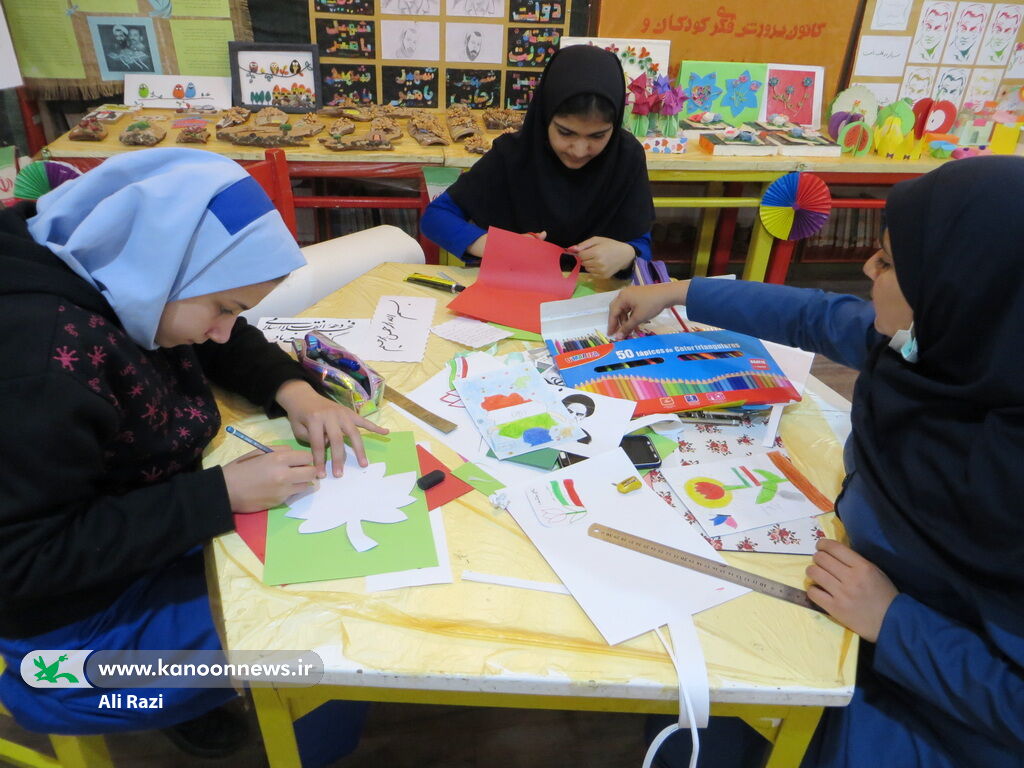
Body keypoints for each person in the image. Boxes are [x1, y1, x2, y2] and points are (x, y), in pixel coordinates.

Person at [609, 156, 1024, 768]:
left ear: (961, 290)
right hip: (845, 582)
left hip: (931, 693)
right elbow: (813, 315)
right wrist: (679, 291)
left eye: (886, 263)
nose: (865, 269)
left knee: (715, 713)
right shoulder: (940, 347)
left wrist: (894, 621)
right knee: (681, 682)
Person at [0, 149, 384, 758]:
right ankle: (183, 698)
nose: (225, 331)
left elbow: (218, 339)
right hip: (64, 644)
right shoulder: (37, 365)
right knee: (312, 645)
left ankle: (195, 691)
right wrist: (219, 495)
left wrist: (294, 390)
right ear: (159, 268)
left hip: (133, 539)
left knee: (311, 588)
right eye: (224, 310)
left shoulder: (113, 266)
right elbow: (22, 560)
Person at [421, 45, 655, 279]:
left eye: (598, 136)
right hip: (516, 286)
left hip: (597, 296)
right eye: (565, 132)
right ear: (545, 118)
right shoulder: (512, 155)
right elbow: (436, 217)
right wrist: (492, 246)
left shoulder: (627, 156)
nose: (579, 150)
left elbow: (640, 240)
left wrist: (627, 253)